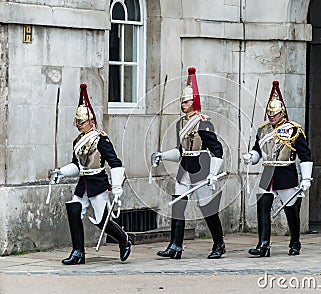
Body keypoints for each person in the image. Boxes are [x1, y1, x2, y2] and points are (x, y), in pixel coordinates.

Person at [50, 84, 132, 265]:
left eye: (82, 122)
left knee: (101, 220)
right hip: (83, 182)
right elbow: (76, 165)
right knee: (74, 209)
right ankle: (78, 251)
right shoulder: (77, 141)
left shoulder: (100, 139)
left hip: (98, 182)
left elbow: (115, 163)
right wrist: (61, 173)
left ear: (91, 121)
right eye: (77, 122)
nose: (79, 125)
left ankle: (123, 239)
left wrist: (117, 186)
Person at [151, 67, 225, 259]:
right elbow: (181, 151)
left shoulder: (204, 123)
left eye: (187, 101)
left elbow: (217, 150)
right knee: (178, 206)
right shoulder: (180, 124)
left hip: (201, 169)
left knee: (207, 208)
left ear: (195, 102)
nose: (183, 104)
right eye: (182, 101)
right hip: (184, 169)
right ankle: (175, 245)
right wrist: (162, 155)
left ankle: (219, 244)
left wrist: (213, 174)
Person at [242, 80, 313, 257]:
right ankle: (263, 244)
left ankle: (295, 241)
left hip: (285, 171)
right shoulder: (262, 130)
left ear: (282, 112)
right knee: (263, 206)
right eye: (269, 113)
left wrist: (306, 178)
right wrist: (251, 157)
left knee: (290, 209)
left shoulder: (293, 130)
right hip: (268, 172)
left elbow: (305, 155)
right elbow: (258, 151)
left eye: (274, 113)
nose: (271, 116)